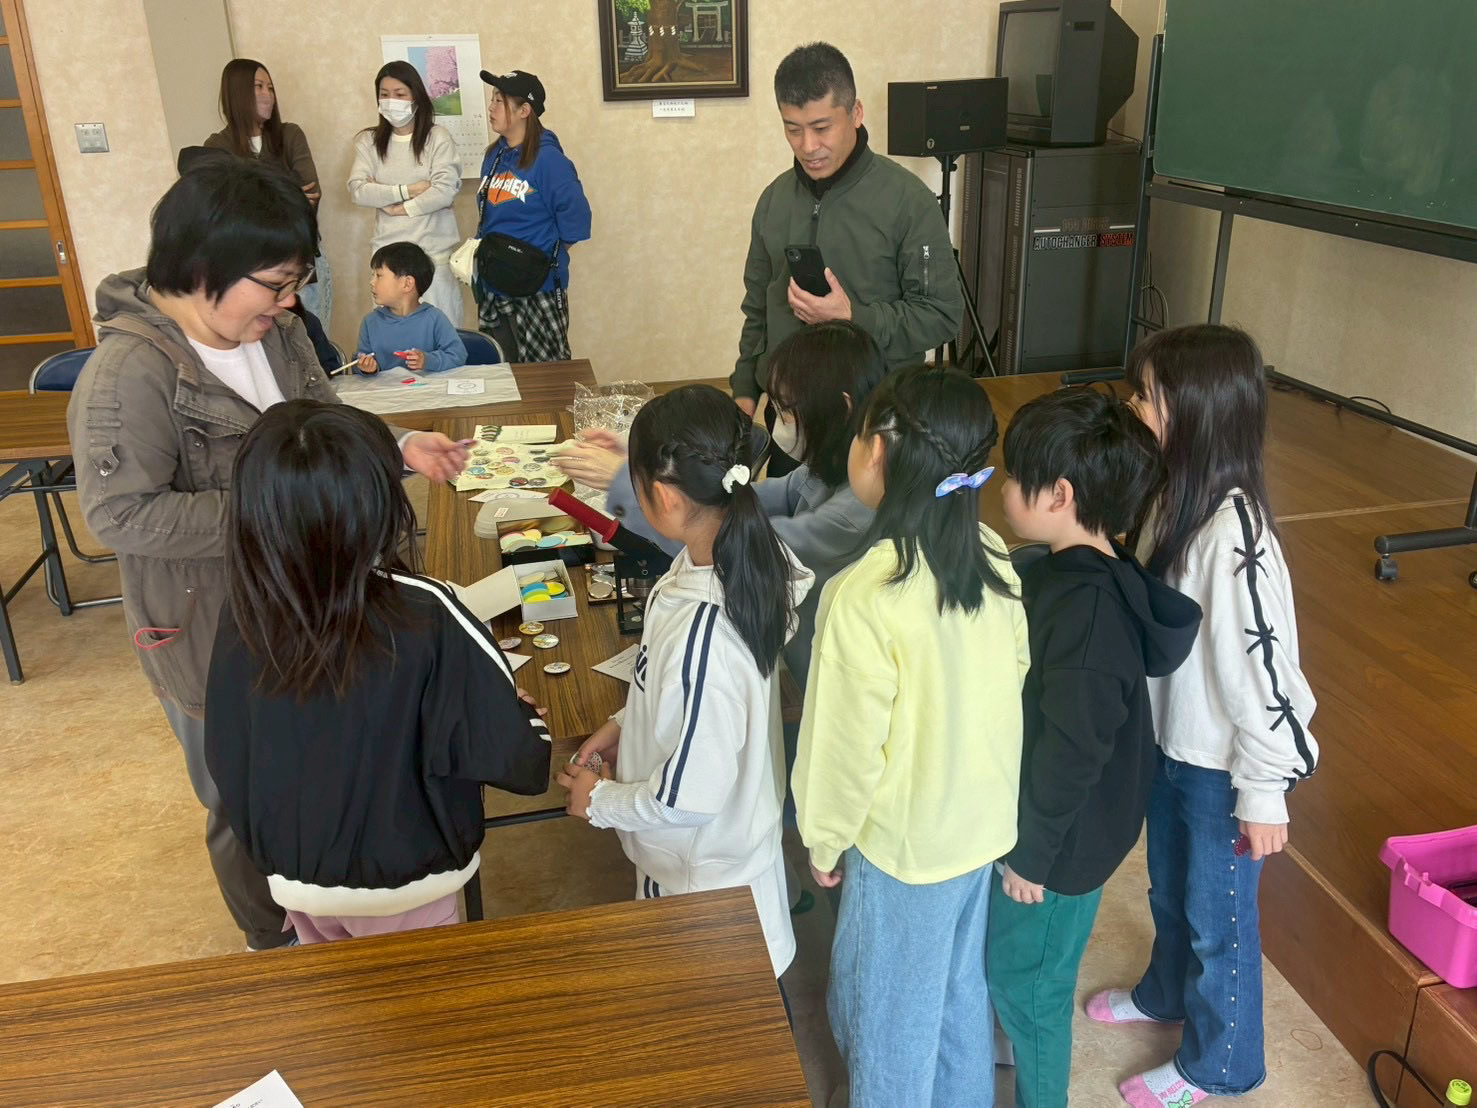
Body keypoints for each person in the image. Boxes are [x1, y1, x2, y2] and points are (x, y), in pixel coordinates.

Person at [65, 159, 469, 953]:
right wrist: (281, 508)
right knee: (243, 795)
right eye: (277, 284)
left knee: (323, 769)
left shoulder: (275, 333)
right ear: (206, 265)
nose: (289, 303)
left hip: (310, 605)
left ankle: (331, 911)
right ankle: (272, 944)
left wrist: (393, 447)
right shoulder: (127, 374)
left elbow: (323, 421)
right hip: (210, 629)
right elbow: (120, 515)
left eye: (296, 284)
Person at [204, 401, 552, 944]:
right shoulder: (427, 609)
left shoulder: (242, 611)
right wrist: (526, 718)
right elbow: (515, 760)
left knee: (340, 992)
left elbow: (226, 750)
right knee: (420, 996)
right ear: (379, 503)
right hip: (407, 881)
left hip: (295, 878)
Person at [1089, 325, 1321, 1107]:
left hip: (1221, 772)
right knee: (1168, 891)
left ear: (1196, 411)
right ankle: (1164, 993)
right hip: (1172, 751)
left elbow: (1266, 676)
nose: (1134, 407)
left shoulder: (1234, 536)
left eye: (1147, 397)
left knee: (1217, 920)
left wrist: (1265, 791)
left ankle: (1220, 1065)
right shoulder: (1171, 501)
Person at [792, 366, 1030, 1106]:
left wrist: (824, 839)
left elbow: (842, 748)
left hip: (904, 850)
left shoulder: (865, 595)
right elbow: (1014, 677)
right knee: (956, 996)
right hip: (979, 829)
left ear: (878, 452)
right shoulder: (991, 555)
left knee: (886, 1020)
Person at [987, 389, 1201, 1108]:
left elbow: (1072, 750)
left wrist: (1032, 855)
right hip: (1065, 826)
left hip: (1061, 845)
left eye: (1014, 477)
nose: (1002, 488)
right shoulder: (1081, 567)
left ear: (1059, 495)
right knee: (1020, 965)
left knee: (1030, 986)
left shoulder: (1087, 617)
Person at [556, 385, 815, 981]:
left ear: (667, 498)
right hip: (716, 866)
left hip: (705, 895)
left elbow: (685, 799)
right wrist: (625, 724)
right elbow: (696, 706)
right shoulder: (721, 558)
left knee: (713, 1029)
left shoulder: (707, 633)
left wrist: (598, 802)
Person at [732, 42, 963, 478]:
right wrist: (745, 388)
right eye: (793, 129)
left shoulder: (908, 202)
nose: (808, 146)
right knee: (784, 517)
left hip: (876, 424)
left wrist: (853, 317)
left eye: (822, 127)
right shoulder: (774, 200)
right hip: (790, 420)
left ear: (855, 113)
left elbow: (942, 316)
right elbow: (757, 306)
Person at [472, 69, 591, 363]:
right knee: (502, 371)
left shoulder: (550, 161)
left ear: (524, 110)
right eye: (492, 99)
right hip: (494, 284)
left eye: (499, 101)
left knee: (544, 376)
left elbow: (577, 221)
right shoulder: (494, 155)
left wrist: (539, 257)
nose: (491, 107)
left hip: (537, 289)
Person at [205, 59, 332, 329]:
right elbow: (223, 214)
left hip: (302, 261)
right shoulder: (217, 145)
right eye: (258, 87)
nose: (268, 95)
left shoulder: (290, 135)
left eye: (270, 88)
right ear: (237, 92)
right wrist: (287, 193)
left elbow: (311, 196)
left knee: (312, 340)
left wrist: (250, 196)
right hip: (248, 268)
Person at [348, 61, 464, 327]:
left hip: (433, 261)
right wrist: (409, 189)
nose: (391, 101)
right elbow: (358, 191)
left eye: (399, 94)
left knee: (440, 341)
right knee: (392, 343)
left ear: (416, 97)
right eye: (384, 94)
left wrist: (399, 207)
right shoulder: (369, 142)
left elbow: (444, 191)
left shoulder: (437, 138)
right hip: (387, 266)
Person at [354, 241, 467, 375]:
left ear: (407, 284)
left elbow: (458, 355)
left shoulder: (434, 318)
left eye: (378, 276)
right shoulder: (370, 322)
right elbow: (357, 363)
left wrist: (428, 360)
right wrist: (366, 367)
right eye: (372, 275)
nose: (371, 282)